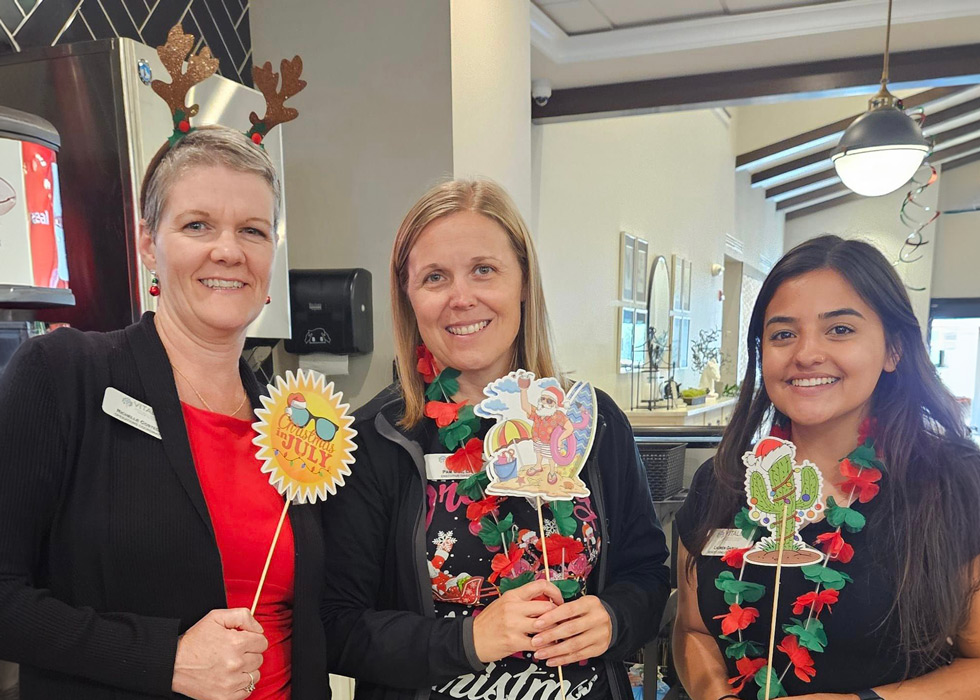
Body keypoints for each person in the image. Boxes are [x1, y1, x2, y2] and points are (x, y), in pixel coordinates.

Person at [0, 126, 327, 700]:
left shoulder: (289, 421)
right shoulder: (62, 374)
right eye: (197, 225)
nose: (228, 250)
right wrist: (164, 659)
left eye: (252, 230)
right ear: (148, 242)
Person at [320, 179, 671, 700]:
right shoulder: (377, 439)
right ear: (409, 297)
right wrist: (469, 638)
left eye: (484, 270)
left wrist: (614, 618)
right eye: (435, 277)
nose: (462, 298)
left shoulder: (593, 422)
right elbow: (337, 627)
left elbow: (646, 573)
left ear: (523, 282)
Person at [673, 235, 980, 700]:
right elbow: (693, 631)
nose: (806, 353)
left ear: (894, 349)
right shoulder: (722, 483)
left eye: (839, 329)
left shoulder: (955, 482)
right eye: (783, 334)